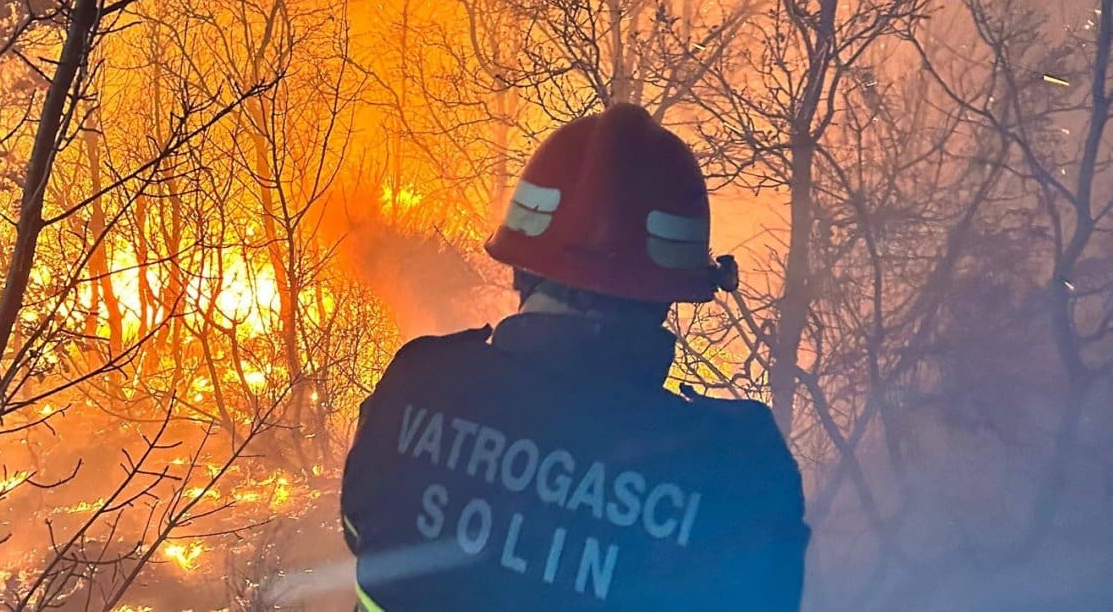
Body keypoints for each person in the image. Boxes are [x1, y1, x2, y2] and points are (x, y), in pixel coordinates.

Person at [341, 103, 809, 611]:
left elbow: (362, 528)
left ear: (521, 268)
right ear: (669, 294)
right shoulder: (735, 473)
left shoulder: (420, 388)